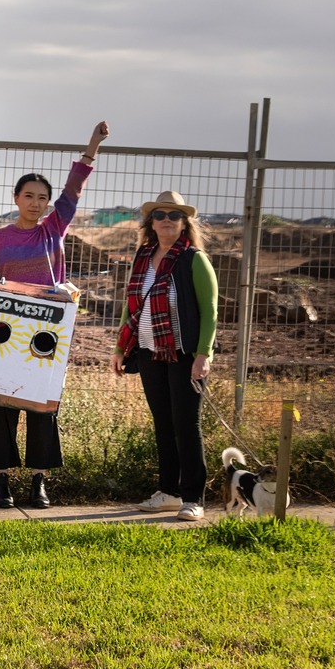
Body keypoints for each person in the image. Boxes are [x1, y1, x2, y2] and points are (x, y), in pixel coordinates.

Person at [0, 121, 110, 509]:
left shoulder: (54, 230)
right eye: (28, 195)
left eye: (42, 197)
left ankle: (38, 482)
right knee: (0, 407)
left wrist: (92, 146)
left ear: (48, 203)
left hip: (48, 335)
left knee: (42, 409)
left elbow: (74, 189)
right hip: (6, 335)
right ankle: (1, 482)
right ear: (16, 198)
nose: (35, 202)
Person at [111, 190, 219, 522]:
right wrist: (119, 348)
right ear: (151, 222)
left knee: (186, 425)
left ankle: (193, 498)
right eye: (160, 215)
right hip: (147, 352)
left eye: (174, 215)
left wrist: (204, 354)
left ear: (185, 223)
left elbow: (210, 312)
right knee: (163, 424)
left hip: (183, 354)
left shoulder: (193, 259)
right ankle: (169, 492)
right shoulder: (142, 257)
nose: (167, 220)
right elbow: (131, 307)